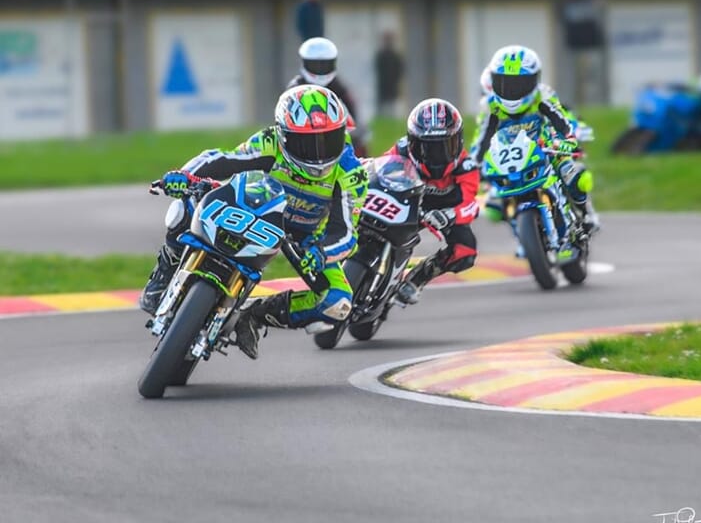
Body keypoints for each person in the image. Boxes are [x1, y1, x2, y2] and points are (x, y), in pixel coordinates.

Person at [139, 85, 368, 360]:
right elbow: (222, 160)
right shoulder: (270, 142)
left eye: (327, 140)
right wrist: (184, 175)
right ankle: (165, 269)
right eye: (307, 143)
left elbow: (345, 233)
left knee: (339, 302)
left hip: (308, 240)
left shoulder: (351, 172)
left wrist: (322, 253)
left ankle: (256, 316)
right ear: (284, 135)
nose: (318, 155)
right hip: (260, 208)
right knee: (185, 203)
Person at [469, 44, 599, 239]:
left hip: (546, 145)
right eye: (505, 83)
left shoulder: (543, 95)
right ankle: (523, 230)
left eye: (519, 84)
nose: (512, 90)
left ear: (534, 81)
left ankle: (587, 213)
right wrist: (473, 164)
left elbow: (561, 120)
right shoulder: (490, 106)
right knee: (493, 207)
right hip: (510, 157)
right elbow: (482, 138)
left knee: (574, 176)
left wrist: (569, 139)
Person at [386, 98, 479, 305]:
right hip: (407, 201)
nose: (437, 155)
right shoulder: (400, 150)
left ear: (458, 142)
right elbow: (379, 171)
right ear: (412, 142)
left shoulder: (466, 165)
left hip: (444, 212)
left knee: (466, 251)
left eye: (445, 146)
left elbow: (470, 203)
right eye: (427, 147)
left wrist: (451, 214)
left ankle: (418, 278)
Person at [287, 37, 367, 156]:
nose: (321, 69)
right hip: (303, 134)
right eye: (316, 65)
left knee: (358, 143)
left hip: (333, 132)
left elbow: (352, 110)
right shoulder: (295, 88)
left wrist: (356, 130)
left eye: (325, 64)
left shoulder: (337, 85)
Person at [374, 31, 405, 118]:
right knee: (382, 109)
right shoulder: (381, 55)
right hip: (383, 87)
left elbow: (400, 70)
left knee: (392, 109)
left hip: (392, 86)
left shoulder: (395, 56)